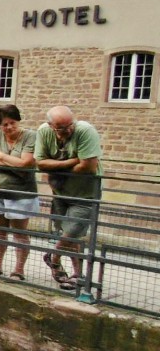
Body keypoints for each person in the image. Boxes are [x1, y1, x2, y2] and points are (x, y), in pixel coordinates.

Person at [35, 106, 103, 294]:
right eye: (62, 128)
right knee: (71, 235)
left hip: (85, 194)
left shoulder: (85, 131)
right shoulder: (43, 132)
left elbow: (89, 166)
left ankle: (53, 257)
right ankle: (78, 274)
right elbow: (40, 162)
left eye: (70, 125)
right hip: (60, 191)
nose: (68, 130)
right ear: (51, 126)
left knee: (71, 232)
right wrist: (72, 161)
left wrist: (55, 167)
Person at [0, 105, 40, 280]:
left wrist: (0, 155)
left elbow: (26, 163)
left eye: (12, 123)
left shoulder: (31, 136)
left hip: (21, 192)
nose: (8, 128)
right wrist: (12, 162)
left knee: (20, 233)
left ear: (18, 121)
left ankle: (18, 270)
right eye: (4, 124)